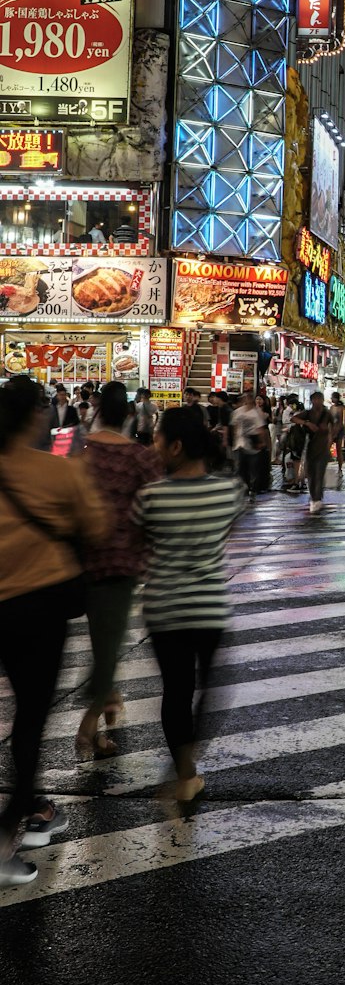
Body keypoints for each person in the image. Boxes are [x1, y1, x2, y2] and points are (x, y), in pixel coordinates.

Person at [0, 376, 107, 886]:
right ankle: (12, 832)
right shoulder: (56, 472)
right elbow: (97, 528)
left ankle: (32, 811)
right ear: (33, 417)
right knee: (30, 718)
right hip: (39, 611)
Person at [132, 406, 246, 806]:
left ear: (176, 446)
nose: (154, 445)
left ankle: (184, 774)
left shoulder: (149, 497)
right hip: (208, 608)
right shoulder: (230, 491)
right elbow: (225, 532)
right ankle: (188, 764)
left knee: (175, 692)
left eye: (158, 439)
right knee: (210, 690)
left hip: (163, 608)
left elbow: (139, 543)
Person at [77, 380, 162, 758]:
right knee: (108, 647)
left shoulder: (79, 454)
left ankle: (101, 720)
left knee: (104, 641)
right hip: (120, 562)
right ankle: (88, 724)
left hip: (78, 562)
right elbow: (156, 509)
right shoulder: (140, 458)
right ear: (129, 415)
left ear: (96, 412)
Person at [291, 390, 333, 514]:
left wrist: (330, 438)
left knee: (319, 474)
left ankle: (317, 498)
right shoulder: (308, 414)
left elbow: (335, 427)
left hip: (323, 449)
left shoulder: (327, 414)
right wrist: (307, 423)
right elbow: (293, 419)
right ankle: (314, 497)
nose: (318, 402)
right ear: (312, 401)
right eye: (315, 399)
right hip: (310, 448)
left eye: (320, 399)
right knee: (311, 475)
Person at [230, 389, 270, 500]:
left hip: (253, 446)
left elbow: (261, 429)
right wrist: (235, 439)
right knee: (240, 469)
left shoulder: (257, 413)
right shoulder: (238, 412)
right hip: (240, 444)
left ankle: (252, 490)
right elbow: (234, 426)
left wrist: (262, 442)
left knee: (253, 469)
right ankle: (244, 489)